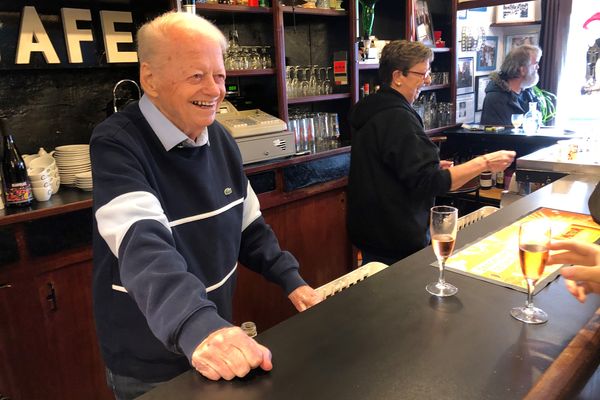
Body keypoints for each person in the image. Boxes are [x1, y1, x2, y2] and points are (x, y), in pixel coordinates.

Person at [90, 12, 322, 399]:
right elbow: (144, 246)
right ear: (150, 79)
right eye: (196, 76)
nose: (215, 90)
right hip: (150, 358)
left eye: (220, 76)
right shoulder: (117, 143)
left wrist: (292, 281)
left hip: (211, 337)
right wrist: (200, 326)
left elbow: (250, 229)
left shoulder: (220, 137)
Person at [347, 40, 516, 265]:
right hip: (395, 238)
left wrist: (430, 166)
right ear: (398, 75)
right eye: (422, 74)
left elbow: (386, 168)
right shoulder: (398, 117)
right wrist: (484, 162)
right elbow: (433, 183)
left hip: (371, 231)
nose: (427, 80)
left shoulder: (370, 108)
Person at [480, 45, 542, 126]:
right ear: (522, 69)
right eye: (535, 63)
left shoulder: (528, 93)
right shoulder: (495, 99)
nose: (538, 67)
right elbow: (495, 136)